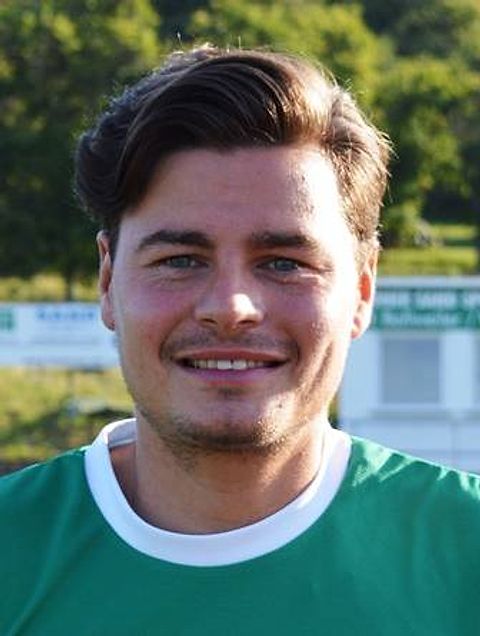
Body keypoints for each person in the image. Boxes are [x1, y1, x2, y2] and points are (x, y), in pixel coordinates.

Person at [1, 46, 479, 635]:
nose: (231, 308)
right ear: (107, 280)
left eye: (284, 263)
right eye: (180, 259)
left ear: (361, 289)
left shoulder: (466, 553)